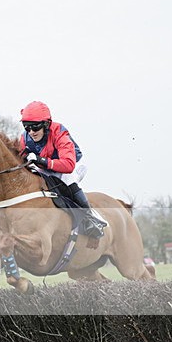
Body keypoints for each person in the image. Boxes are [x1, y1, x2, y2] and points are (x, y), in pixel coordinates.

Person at [19, 101, 107, 239]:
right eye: (27, 128)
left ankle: (91, 218)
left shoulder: (59, 133)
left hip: (73, 164)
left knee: (66, 180)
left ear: (46, 125)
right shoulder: (25, 138)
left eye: (35, 127)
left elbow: (68, 165)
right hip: (47, 167)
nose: (31, 132)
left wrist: (41, 160)